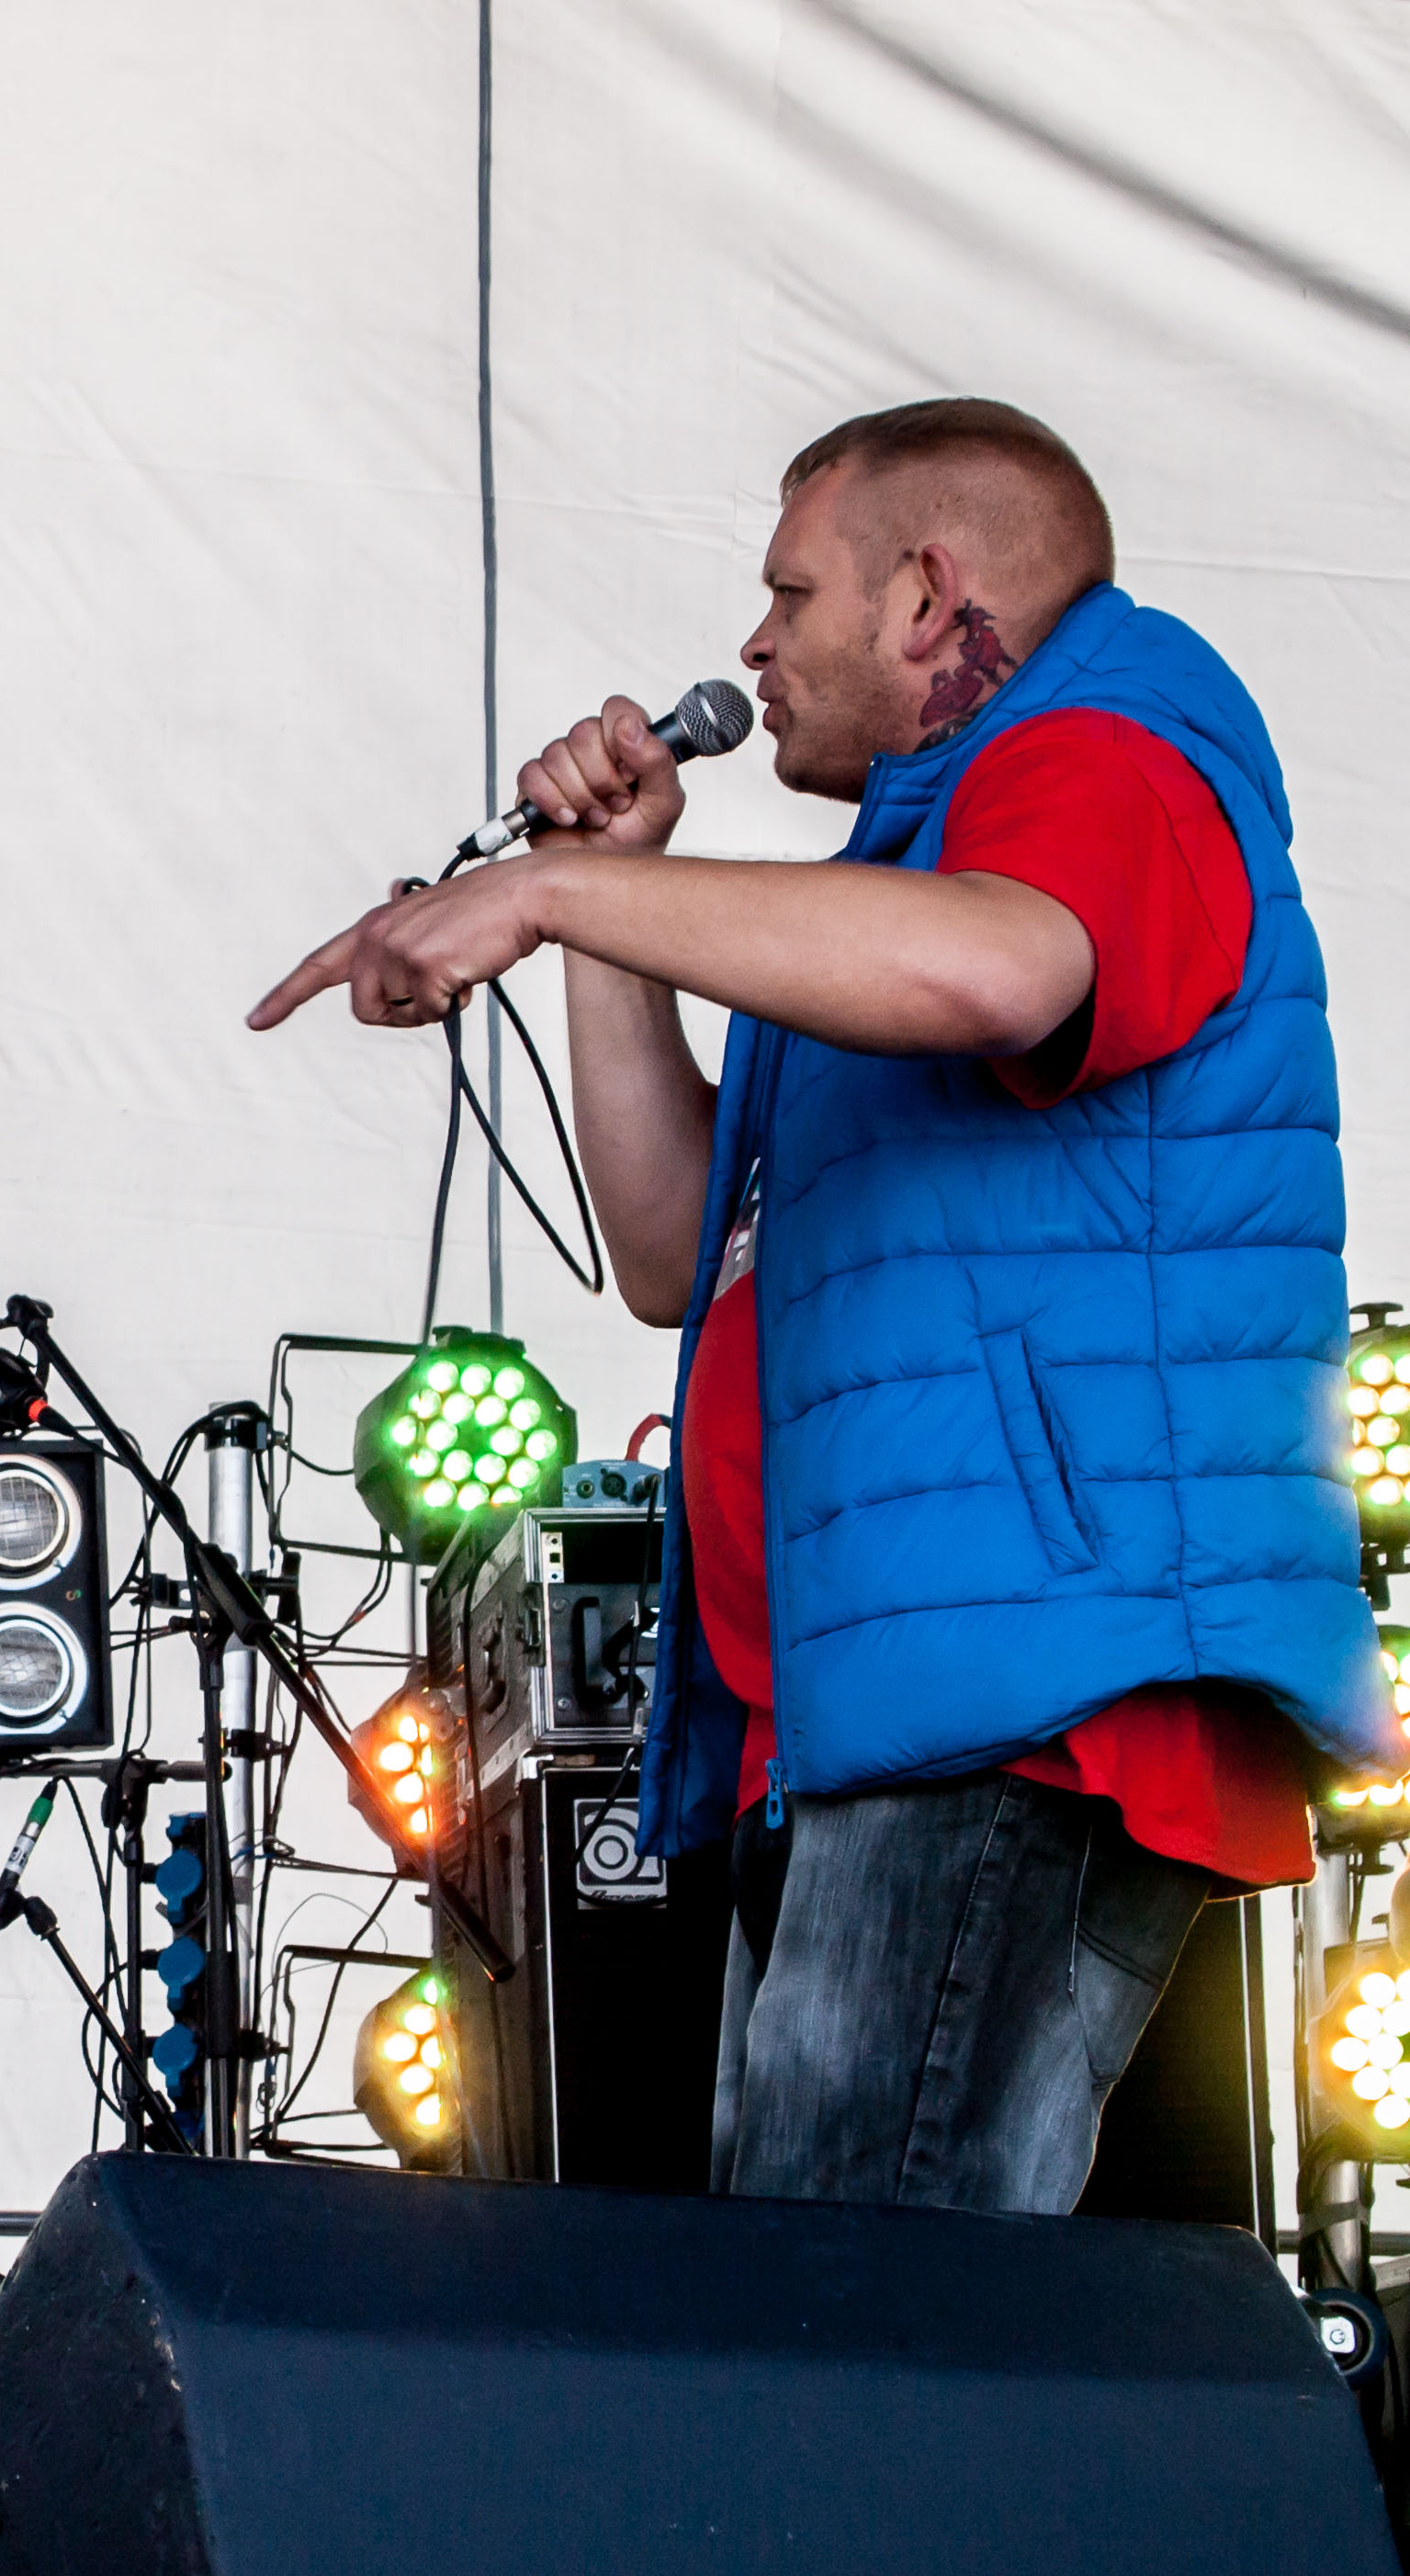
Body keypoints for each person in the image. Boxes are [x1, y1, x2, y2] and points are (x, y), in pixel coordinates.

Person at [250, 399, 1393, 2213]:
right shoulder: (899, 881)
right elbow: (668, 1250)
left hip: (1027, 1693)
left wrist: (541, 891)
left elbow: (1005, 973)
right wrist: (611, 906)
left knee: (864, 2302)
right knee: (838, 2290)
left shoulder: (1106, 740)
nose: (754, 645)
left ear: (931, 598)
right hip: (888, 1700)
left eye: (790, 594)